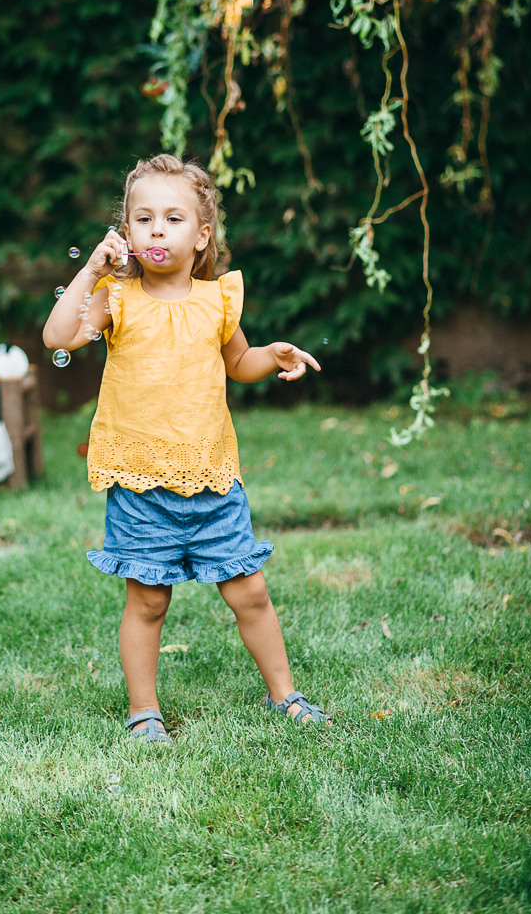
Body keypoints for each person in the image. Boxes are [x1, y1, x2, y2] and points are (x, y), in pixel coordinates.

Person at [43, 154, 330, 740]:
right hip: (141, 484)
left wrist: (270, 357)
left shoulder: (216, 300)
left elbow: (238, 362)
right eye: (141, 218)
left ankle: (287, 696)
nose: (155, 229)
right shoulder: (116, 299)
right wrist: (93, 271)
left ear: (201, 236)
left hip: (213, 479)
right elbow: (58, 335)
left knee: (250, 591)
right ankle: (143, 711)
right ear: (124, 233)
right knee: (148, 602)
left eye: (172, 218)